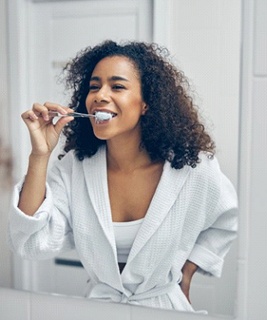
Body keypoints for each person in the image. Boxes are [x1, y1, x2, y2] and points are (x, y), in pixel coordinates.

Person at [8, 40, 238, 313]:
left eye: (117, 86)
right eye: (94, 86)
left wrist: (186, 273)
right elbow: (31, 242)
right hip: (100, 309)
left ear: (146, 104)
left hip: (165, 308)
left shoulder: (193, 167)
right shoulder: (74, 168)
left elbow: (226, 220)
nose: (100, 95)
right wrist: (40, 155)